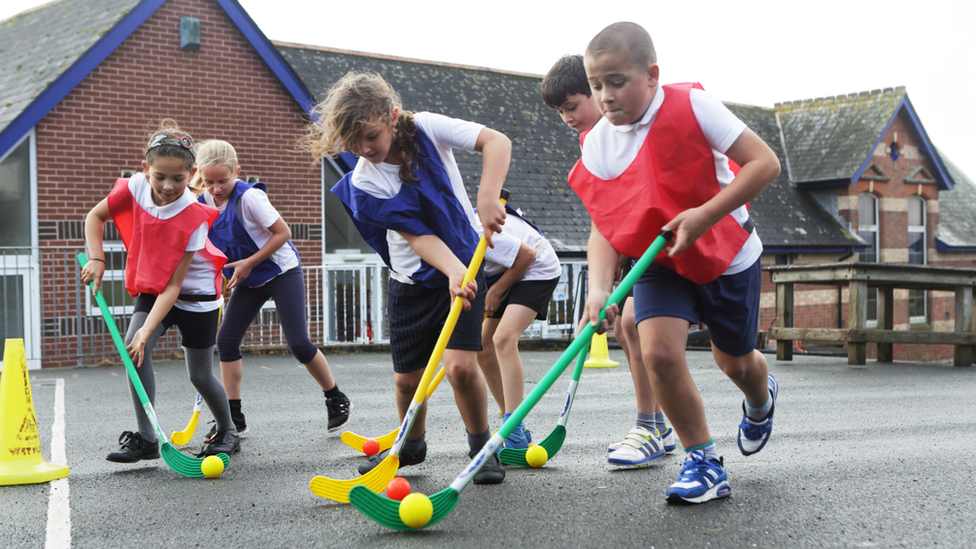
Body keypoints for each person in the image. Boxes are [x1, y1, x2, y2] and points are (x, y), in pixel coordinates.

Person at [568, 22, 781, 504]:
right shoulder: (599, 141)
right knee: (658, 353)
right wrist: (598, 289)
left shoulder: (691, 106)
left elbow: (764, 163)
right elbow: (605, 223)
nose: (605, 96)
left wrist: (705, 217)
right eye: (597, 85)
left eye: (617, 81)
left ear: (652, 76)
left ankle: (760, 395)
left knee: (735, 362)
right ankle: (703, 461)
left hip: (726, 255)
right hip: (660, 259)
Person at [302, 71, 510, 484]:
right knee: (406, 381)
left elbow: (496, 141)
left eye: (371, 136)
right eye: (352, 143)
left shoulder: (429, 128)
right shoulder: (364, 180)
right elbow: (417, 235)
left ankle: (481, 446)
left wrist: (487, 196)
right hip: (412, 284)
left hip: (467, 267)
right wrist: (450, 270)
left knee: (461, 369)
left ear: (393, 116)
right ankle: (411, 445)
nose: (364, 149)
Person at [543, 54, 675, 467]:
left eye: (571, 106)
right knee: (627, 326)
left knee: (636, 324)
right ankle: (655, 425)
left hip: (673, 240)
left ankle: (651, 424)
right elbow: (605, 218)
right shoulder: (592, 145)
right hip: (635, 247)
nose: (567, 117)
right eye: (560, 111)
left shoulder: (632, 131)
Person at [81, 119, 240, 462]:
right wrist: (97, 258)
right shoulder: (134, 187)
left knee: (199, 374)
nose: (168, 186)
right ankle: (147, 438)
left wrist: (147, 330)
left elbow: (175, 285)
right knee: (134, 351)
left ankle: (228, 430)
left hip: (195, 297)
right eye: (160, 177)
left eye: (179, 179)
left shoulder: (194, 215)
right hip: (154, 288)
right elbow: (95, 216)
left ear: (191, 173)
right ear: (145, 169)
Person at [190, 139, 352, 439]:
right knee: (225, 341)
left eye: (223, 180)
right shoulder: (201, 203)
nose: (216, 188)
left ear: (237, 172)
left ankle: (335, 397)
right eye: (209, 181)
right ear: (199, 174)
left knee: (298, 343)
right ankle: (233, 416)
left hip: (280, 271)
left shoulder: (249, 198)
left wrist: (249, 262)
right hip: (248, 278)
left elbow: (283, 233)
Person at [476, 206, 562, 451]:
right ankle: (515, 425)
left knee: (503, 338)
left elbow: (527, 255)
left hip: (537, 265)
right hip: (509, 270)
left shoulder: (475, 231)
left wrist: (496, 291)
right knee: (483, 345)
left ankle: (512, 428)